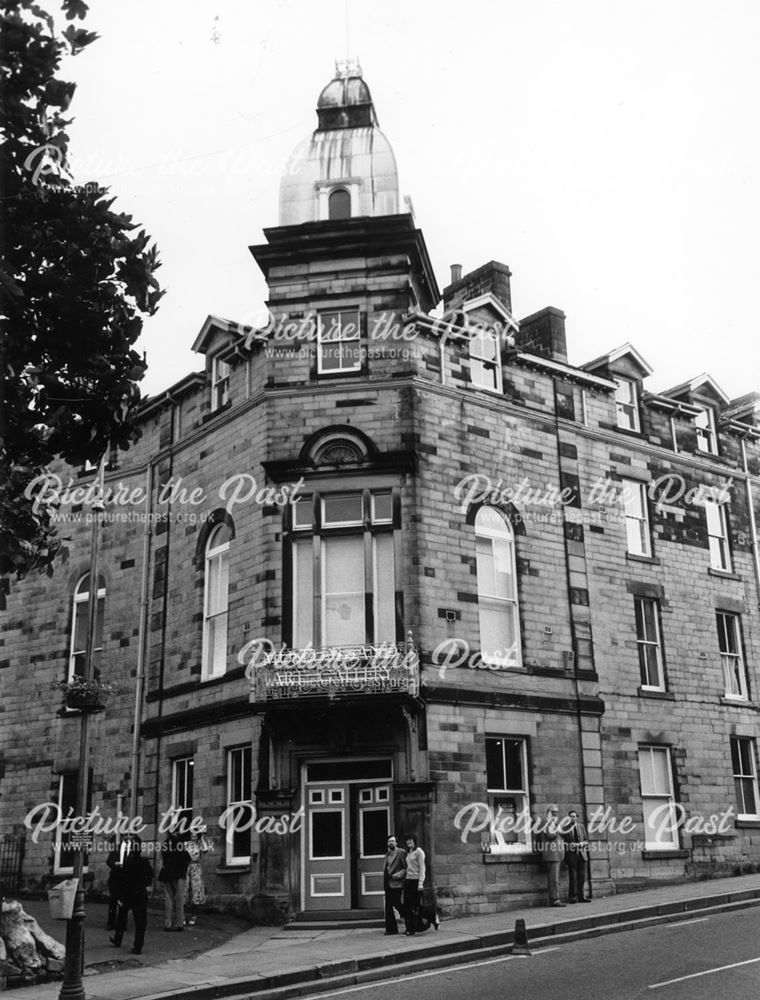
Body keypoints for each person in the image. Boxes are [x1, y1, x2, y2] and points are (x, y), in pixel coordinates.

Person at [109, 836, 153, 955]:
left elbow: (122, 879)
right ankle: (138, 946)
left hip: (127, 893)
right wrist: (142, 884)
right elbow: (150, 877)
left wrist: (120, 895)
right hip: (140, 894)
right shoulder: (144, 862)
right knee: (140, 921)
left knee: (122, 917)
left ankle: (118, 940)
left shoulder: (127, 862)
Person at [158, 830, 192, 931]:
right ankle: (179, 924)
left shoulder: (164, 843)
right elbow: (187, 858)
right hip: (179, 874)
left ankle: (168, 923)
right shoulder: (180, 843)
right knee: (179, 899)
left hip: (166, 874)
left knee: (168, 900)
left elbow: (162, 859)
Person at [538, 804, 566, 907]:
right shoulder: (546, 822)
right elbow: (550, 835)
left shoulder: (552, 822)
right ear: (548, 812)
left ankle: (555, 899)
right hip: (551, 855)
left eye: (556, 812)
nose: (555, 814)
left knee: (555, 879)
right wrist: (557, 829)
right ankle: (554, 900)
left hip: (556, 854)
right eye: (553, 812)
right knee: (553, 879)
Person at [563, 809, 591, 903]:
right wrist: (571, 845)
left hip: (582, 855)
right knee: (573, 877)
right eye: (571, 816)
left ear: (577, 817)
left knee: (581, 877)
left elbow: (586, 840)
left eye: (574, 816)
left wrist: (580, 844)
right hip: (571, 855)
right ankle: (572, 897)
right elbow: (563, 843)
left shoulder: (581, 827)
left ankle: (581, 896)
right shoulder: (565, 828)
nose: (573, 818)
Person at [184, 828, 210, 926]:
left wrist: (202, 838)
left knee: (196, 891)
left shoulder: (199, 844)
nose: (193, 838)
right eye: (192, 836)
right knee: (185, 890)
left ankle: (193, 915)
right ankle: (182, 916)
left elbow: (206, 850)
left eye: (195, 836)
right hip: (187, 868)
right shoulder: (186, 844)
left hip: (196, 868)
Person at [383, 834, 407, 935]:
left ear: (396, 843)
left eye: (393, 841)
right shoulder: (387, 854)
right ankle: (391, 929)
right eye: (389, 841)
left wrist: (400, 874)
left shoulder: (401, 853)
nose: (391, 843)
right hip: (388, 883)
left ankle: (411, 922)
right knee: (388, 906)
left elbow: (407, 867)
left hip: (397, 883)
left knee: (398, 905)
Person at [402, 833, 425, 935]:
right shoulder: (408, 853)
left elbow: (422, 868)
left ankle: (414, 928)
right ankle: (408, 928)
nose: (408, 842)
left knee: (415, 905)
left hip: (415, 881)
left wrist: (420, 883)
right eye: (407, 841)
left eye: (410, 840)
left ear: (414, 841)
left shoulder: (418, 852)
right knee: (407, 905)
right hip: (408, 881)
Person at [105, 838, 128, 931]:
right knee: (113, 901)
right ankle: (111, 923)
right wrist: (115, 863)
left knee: (124, 902)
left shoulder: (131, 850)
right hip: (115, 878)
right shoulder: (116, 850)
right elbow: (109, 861)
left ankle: (122, 924)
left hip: (125, 878)